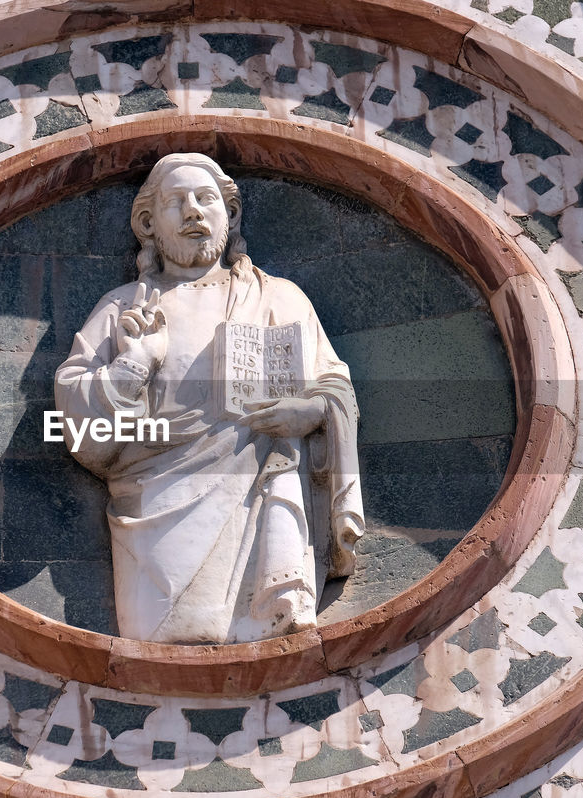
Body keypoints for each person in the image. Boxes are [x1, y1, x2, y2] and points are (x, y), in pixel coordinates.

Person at [54, 153, 364, 644]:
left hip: (262, 486)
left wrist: (313, 411)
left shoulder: (279, 298)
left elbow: (334, 386)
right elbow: (80, 428)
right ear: (148, 224)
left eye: (206, 199)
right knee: (163, 638)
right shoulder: (122, 309)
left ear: (230, 213)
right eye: (176, 202)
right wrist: (133, 365)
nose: (194, 212)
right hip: (155, 499)